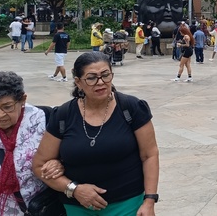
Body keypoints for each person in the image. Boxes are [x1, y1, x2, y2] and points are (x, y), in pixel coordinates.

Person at [32, 52, 160, 215]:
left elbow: (150, 155)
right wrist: (74, 189)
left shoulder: (132, 108)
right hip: (77, 207)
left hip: (127, 205)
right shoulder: (63, 115)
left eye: (105, 75)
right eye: (91, 78)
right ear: (78, 82)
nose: (101, 83)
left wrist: (149, 201)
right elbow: (39, 165)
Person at [0, 71, 64, 215]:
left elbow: (71, 151)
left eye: (7, 107)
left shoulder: (45, 119)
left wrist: (59, 162)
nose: (0, 115)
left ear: (23, 100)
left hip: (38, 208)